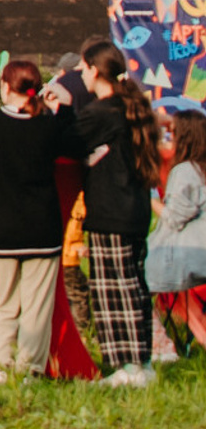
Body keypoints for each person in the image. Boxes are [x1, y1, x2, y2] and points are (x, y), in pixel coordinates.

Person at [0, 59, 81, 382]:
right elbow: (76, 144)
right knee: (37, 306)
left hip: (1, 231)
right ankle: (31, 369)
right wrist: (62, 110)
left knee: (5, 302)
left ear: (5, 88)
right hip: (43, 230)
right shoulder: (48, 127)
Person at [68, 47, 159, 388]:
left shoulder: (102, 112)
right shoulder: (129, 107)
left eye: (82, 67)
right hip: (134, 212)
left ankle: (124, 364)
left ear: (94, 70)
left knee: (110, 291)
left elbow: (69, 140)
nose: (80, 73)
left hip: (110, 213)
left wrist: (60, 107)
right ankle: (141, 361)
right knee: (133, 286)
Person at [145, 105, 206, 348]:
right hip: (196, 253)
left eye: (174, 133)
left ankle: (160, 349)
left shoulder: (184, 171)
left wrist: (148, 199)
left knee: (130, 287)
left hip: (185, 255)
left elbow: (173, 218)